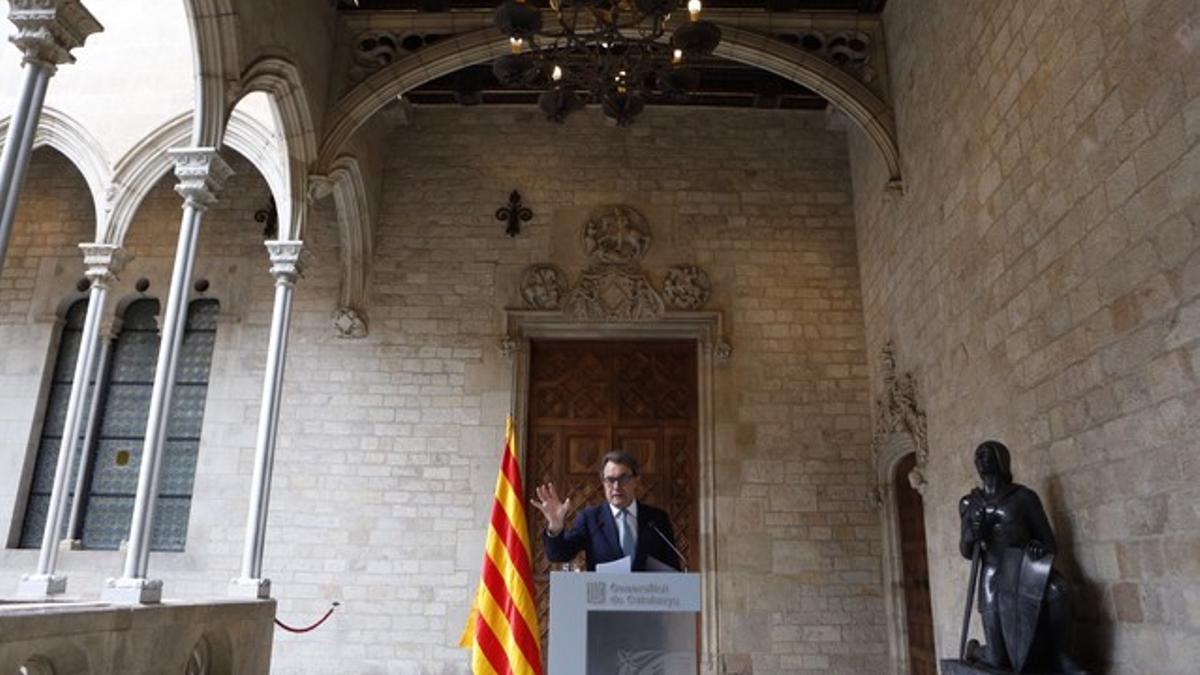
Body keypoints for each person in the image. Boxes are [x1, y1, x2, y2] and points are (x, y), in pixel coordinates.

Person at [958, 440, 1089, 675]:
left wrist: (1038, 548)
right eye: (977, 455)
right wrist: (972, 533)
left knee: (1059, 590)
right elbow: (967, 551)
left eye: (985, 455)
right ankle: (976, 650)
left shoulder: (1024, 498)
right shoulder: (969, 503)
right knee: (999, 660)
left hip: (1023, 571)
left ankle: (1061, 654)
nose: (979, 460)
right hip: (991, 577)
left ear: (1000, 459)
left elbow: (1049, 543)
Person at [531, 450, 682, 572]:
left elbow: (673, 568)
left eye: (623, 479)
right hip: (603, 606)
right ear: (603, 482)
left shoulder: (657, 519)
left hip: (649, 603)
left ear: (636, 480)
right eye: (610, 480)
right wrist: (555, 527)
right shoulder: (590, 518)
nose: (616, 486)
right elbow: (559, 555)